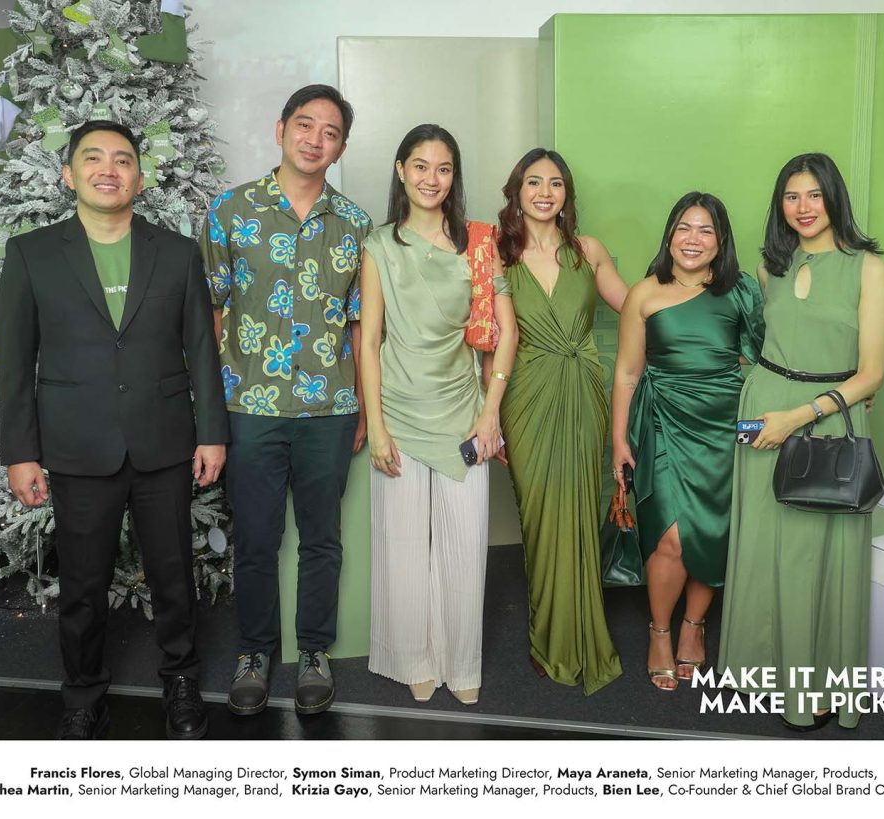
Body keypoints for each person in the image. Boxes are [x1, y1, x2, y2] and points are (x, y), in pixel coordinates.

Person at [0, 120, 228, 740]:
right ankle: (83, 695)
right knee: (82, 585)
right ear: (68, 174)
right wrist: (20, 452)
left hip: (163, 442)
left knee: (174, 577)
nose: (108, 169)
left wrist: (212, 432)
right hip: (77, 446)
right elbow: (16, 362)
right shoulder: (31, 253)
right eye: (93, 158)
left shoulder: (176, 251)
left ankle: (181, 683)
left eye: (123, 160)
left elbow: (201, 349)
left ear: (140, 179)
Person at [200, 85, 371, 716]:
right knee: (256, 539)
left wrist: (361, 403)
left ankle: (315, 653)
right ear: (280, 130)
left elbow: (362, 325)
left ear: (341, 148)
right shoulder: (230, 210)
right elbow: (211, 311)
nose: (315, 140)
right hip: (250, 406)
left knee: (322, 539)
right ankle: (254, 653)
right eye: (305, 125)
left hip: (330, 409)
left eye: (330, 132)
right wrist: (209, 409)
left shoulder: (355, 224)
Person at [718, 154, 884, 730]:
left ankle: (816, 684)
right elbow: (765, 341)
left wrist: (798, 416)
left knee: (816, 553)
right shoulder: (771, 266)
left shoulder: (868, 267)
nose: (803, 207)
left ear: (834, 197)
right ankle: (761, 671)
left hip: (826, 416)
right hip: (763, 410)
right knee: (763, 543)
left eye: (814, 195)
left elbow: (871, 374)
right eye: (791, 197)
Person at [360, 124, 518, 706]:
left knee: (464, 544)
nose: (432, 179)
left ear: (455, 177)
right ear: (401, 170)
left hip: (463, 412)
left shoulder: (479, 242)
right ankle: (413, 659)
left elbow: (507, 334)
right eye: (421, 166)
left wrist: (490, 414)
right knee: (403, 545)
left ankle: (460, 659)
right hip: (400, 413)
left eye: (444, 168)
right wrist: (377, 428)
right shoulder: (379, 245)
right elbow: (369, 340)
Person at [611, 192, 763, 691]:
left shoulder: (741, 291)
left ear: (721, 241)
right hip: (662, 422)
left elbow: (769, 360)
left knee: (713, 531)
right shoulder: (644, 293)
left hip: (724, 427)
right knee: (671, 536)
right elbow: (627, 373)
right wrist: (618, 440)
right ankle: (659, 630)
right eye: (683, 227)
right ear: (670, 235)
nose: (692, 239)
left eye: (705, 230)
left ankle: (693, 626)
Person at [495, 148, 628, 695]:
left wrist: (702, 306)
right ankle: (548, 637)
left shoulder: (588, 250)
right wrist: (488, 415)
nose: (544, 192)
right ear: (517, 191)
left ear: (567, 194)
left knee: (579, 510)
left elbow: (634, 306)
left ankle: (580, 635)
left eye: (555, 183)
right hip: (525, 394)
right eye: (534, 182)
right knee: (539, 517)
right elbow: (488, 338)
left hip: (582, 392)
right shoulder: (497, 253)